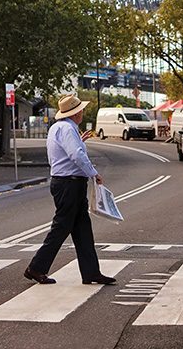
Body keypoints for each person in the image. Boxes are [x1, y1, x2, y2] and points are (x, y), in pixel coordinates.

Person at [24, 93, 117, 286]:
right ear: (76, 113)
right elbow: (76, 155)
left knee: (82, 228)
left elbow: (69, 152)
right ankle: (36, 267)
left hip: (67, 182)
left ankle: (91, 272)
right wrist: (93, 173)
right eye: (80, 110)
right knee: (61, 227)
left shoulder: (58, 127)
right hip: (69, 183)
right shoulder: (67, 129)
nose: (82, 112)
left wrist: (80, 142)